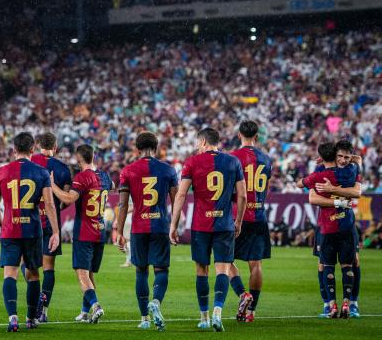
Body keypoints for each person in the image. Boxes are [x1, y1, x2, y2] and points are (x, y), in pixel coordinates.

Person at [169, 128, 247, 332]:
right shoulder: (233, 161)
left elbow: (180, 195)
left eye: (197, 142)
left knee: (201, 270)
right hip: (225, 224)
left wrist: (174, 224)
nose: (196, 146)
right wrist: (238, 221)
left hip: (201, 225)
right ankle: (217, 313)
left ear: (203, 141)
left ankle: (204, 317)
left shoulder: (192, 162)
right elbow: (243, 196)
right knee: (222, 269)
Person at [0, 132, 60, 332]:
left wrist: (1, 222)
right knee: (33, 275)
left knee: (10, 274)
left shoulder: (2, 172)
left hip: (10, 230)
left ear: (14, 150)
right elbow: (48, 204)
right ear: (32, 150)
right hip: (32, 230)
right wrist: (55, 232)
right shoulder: (41, 172)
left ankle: (13, 317)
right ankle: (30, 319)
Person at [116, 131, 178, 330]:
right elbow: (177, 201)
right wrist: (174, 226)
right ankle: (156, 301)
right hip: (160, 225)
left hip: (139, 227)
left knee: (140, 272)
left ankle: (144, 319)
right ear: (157, 148)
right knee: (161, 270)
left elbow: (123, 205)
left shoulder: (128, 171)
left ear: (136, 149)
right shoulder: (168, 170)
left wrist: (118, 231)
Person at [50, 144, 113, 325]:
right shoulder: (105, 176)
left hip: (84, 231)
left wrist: (52, 184)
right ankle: (85, 312)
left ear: (79, 159)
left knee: (82, 274)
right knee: (90, 274)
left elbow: (69, 198)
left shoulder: (82, 177)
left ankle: (96, 306)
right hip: (100, 232)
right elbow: (114, 186)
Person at [298, 142, 361, 319]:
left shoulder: (349, 168)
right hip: (332, 225)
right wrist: (339, 200)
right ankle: (328, 304)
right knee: (326, 263)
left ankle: (351, 303)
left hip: (339, 225)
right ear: (334, 156)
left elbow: (357, 191)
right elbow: (312, 197)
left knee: (352, 261)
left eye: (346, 157)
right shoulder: (349, 169)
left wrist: (333, 190)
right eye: (339, 156)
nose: (342, 160)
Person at [228, 120, 273, 323]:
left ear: (239, 135)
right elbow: (266, 188)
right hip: (259, 215)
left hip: (238, 216)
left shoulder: (232, 158)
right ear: (257, 136)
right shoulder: (266, 159)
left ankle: (242, 294)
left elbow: (229, 190)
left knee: (226, 260)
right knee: (256, 264)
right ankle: (252, 311)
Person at [29, 132, 72, 322]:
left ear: (38, 145)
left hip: (28, 221)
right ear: (55, 147)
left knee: (28, 265)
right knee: (49, 268)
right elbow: (66, 201)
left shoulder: (29, 162)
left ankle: (36, 299)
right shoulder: (63, 169)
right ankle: (44, 310)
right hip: (50, 222)